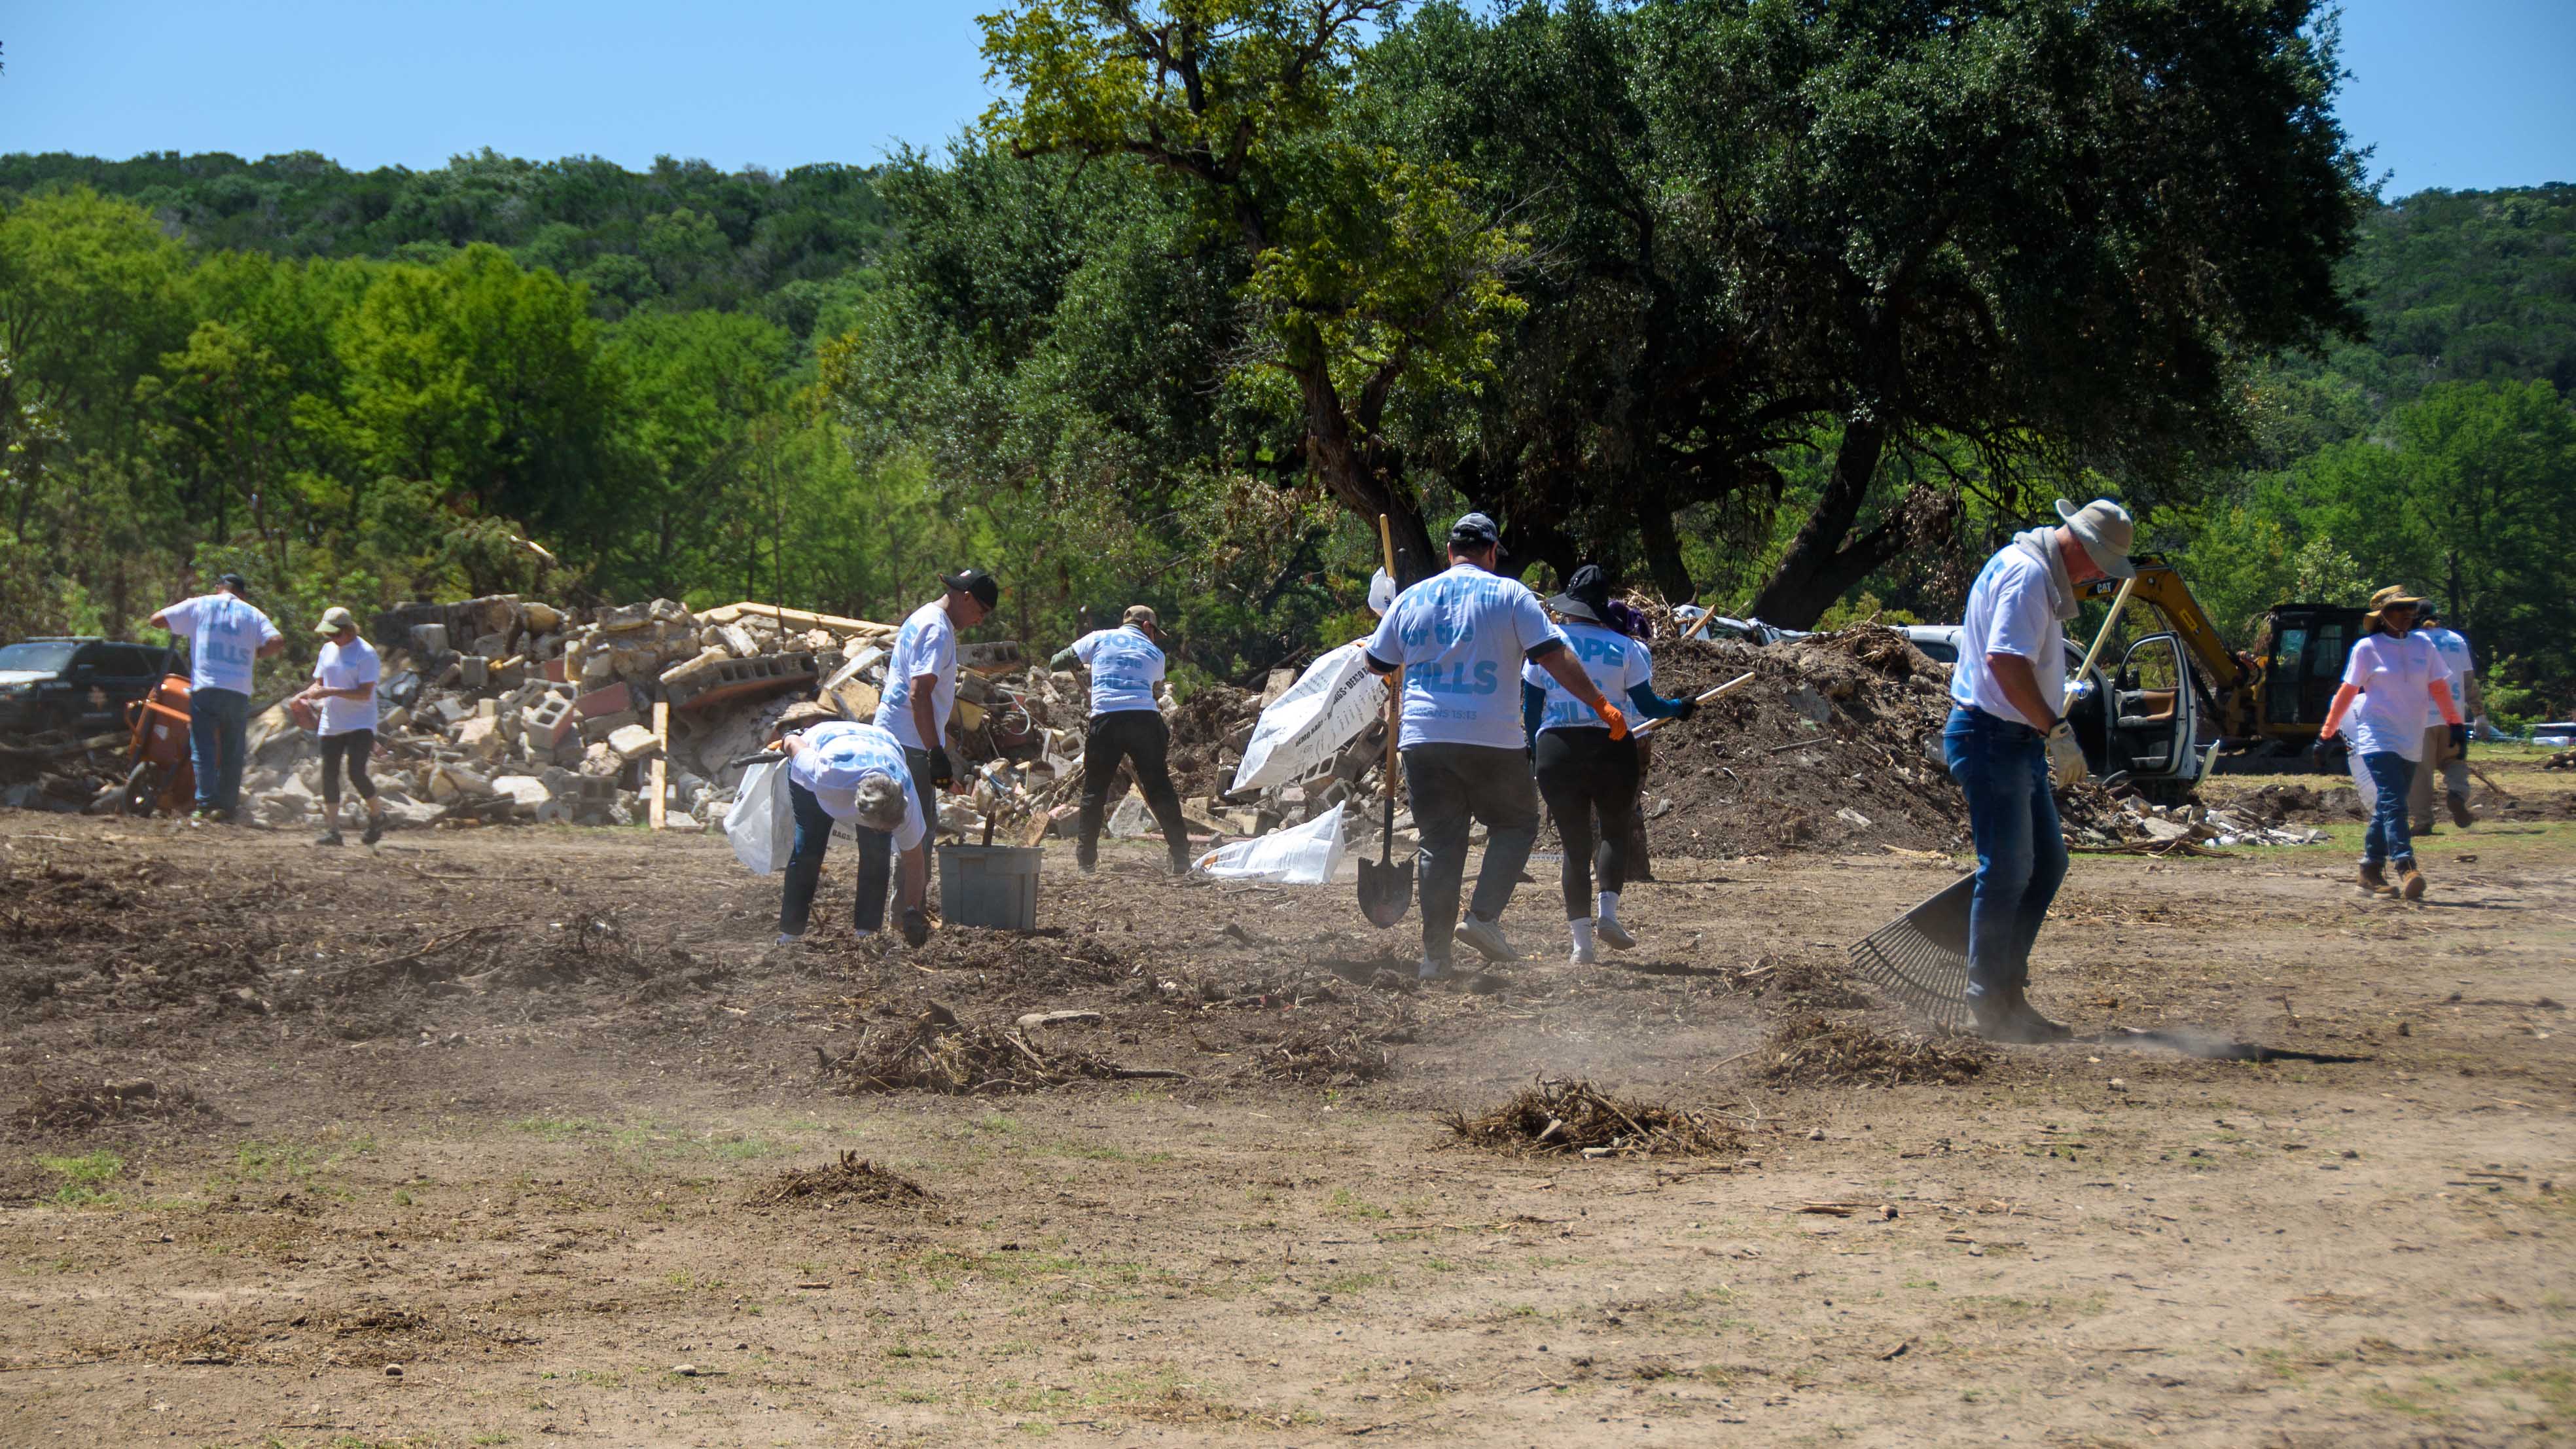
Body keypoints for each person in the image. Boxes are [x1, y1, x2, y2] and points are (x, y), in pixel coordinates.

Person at [1362, 512, 1630, 979]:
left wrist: (1386, 613)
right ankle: (1483, 918)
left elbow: (1376, 662)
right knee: (1516, 823)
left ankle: (1434, 959)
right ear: (1491, 553)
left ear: (1449, 553)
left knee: (1439, 845)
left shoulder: (1411, 598)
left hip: (1425, 738)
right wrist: (1601, 705)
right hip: (1491, 737)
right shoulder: (1510, 594)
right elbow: (1553, 656)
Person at [1945, 499, 2136, 1043]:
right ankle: (1991, 1001)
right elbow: (2004, 664)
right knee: (2007, 872)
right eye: (2100, 564)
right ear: (2079, 544)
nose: (2100, 576)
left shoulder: (2026, 567)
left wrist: (2049, 711)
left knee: (2045, 864)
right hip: (1993, 738)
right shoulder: (2028, 577)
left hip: (2010, 739)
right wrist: (2055, 729)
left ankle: (2006, 989)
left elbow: (2016, 662)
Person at [1520, 566, 1694, 963]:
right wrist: (1679, 708)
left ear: (1570, 605)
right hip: (1612, 746)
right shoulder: (1626, 648)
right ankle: (1609, 914)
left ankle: (1581, 946)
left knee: (1573, 847)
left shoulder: (1546, 645)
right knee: (1614, 832)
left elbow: (1531, 710)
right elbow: (1648, 707)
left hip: (1556, 748)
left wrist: (1533, 750)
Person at [868, 569, 998, 921]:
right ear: (967, 596)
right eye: (982, 611)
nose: (979, 620)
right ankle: (908, 913)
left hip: (901, 736)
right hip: (911, 744)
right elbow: (919, 692)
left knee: (899, 824)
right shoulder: (938, 629)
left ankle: (889, 913)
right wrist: (935, 754)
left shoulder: (923, 617)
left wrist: (940, 749)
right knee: (916, 831)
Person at [2321, 586, 2463, 901]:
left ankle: (2369, 872)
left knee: (2388, 806)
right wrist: (2327, 733)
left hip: (2412, 736)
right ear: (2383, 616)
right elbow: (2348, 692)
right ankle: (2406, 865)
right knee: (2396, 802)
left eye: (2410, 608)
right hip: (2377, 735)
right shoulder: (2367, 648)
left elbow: (2439, 688)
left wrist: (2456, 724)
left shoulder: (2424, 646)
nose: (2406, 614)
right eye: (2398, 609)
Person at [1051, 605, 1194, 874]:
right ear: (1148, 627)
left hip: (1106, 719)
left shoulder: (1098, 638)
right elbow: (1151, 683)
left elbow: (1056, 661)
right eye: (1155, 633)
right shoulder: (1156, 654)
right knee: (1160, 789)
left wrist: (1076, 660)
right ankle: (1181, 859)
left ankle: (1086, 864)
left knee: (1094, 791)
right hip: (1144, 720)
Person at [774, 708, 933, 946]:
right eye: (881, 827)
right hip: (823, 740)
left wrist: (912, 911)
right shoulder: (827, 778)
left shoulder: (904, 799)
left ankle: (866, 934)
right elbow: (793, 743)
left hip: (881, 743)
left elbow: (915, 861)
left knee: (877, 853)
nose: (887, 831)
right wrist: (790, 734)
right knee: (809, 845)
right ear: (860, 812)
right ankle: (790, 934)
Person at [149, 571, 285, 823]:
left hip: (206, 687)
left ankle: (205, 804)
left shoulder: (200, 604)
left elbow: (156, 620)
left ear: (218, 588)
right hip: (238, 690)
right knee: (233, 750)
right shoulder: (253, 613)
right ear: (241, 594)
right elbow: (277, 641)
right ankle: (226, 808)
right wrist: (257, 654)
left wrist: (189, 626)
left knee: (203, 748)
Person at [297, 606, 384, 846]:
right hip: (332, 720)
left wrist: (330, 691)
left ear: (348, 630)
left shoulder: (365, 653)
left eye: (335, 635)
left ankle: (378, 813)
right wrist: (307, 695)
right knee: (329, 774)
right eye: (328, 635)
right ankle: (334, 830)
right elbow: (320, 681)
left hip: (360, 722)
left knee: (356, 772)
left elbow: (365, 693)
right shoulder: (327, 650)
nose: (331, 640)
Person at [2406, 603, 2480, 832]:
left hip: (2420, 719)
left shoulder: (2408, 641)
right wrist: (2480, 714)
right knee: (2455, 762)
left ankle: (2423, 822)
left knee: (2420, 772)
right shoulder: (2457, 640)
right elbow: (2468, 682)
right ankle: (2457, 793)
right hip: (2453, 717)